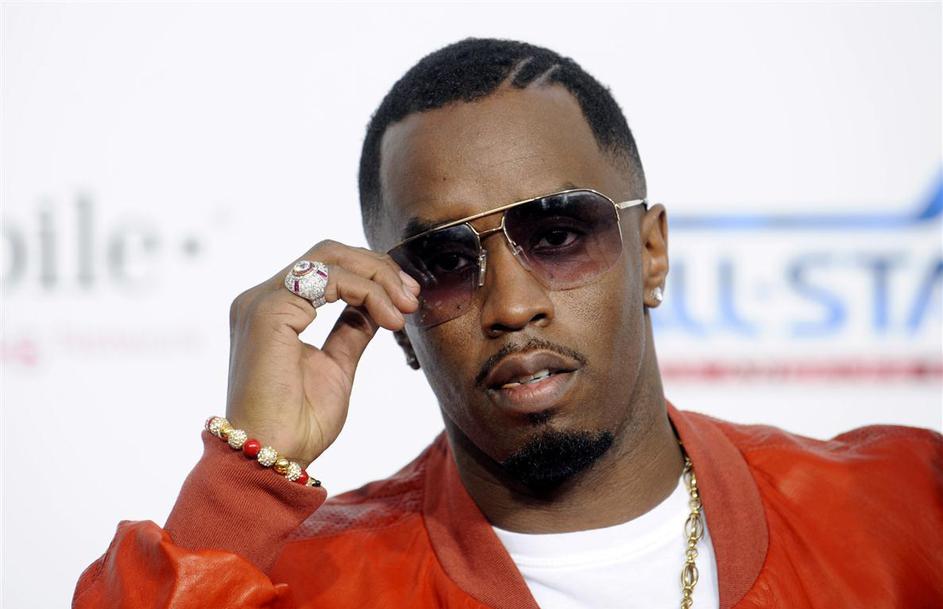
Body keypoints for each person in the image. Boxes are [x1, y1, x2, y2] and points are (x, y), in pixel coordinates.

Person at [73, 38, 942, 609]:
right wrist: (243, 475)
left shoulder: (904, 503)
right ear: (396, 315)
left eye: (558, 234)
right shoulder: (300, 582)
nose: (511, 304)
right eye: (444, 260)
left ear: (649, 252)